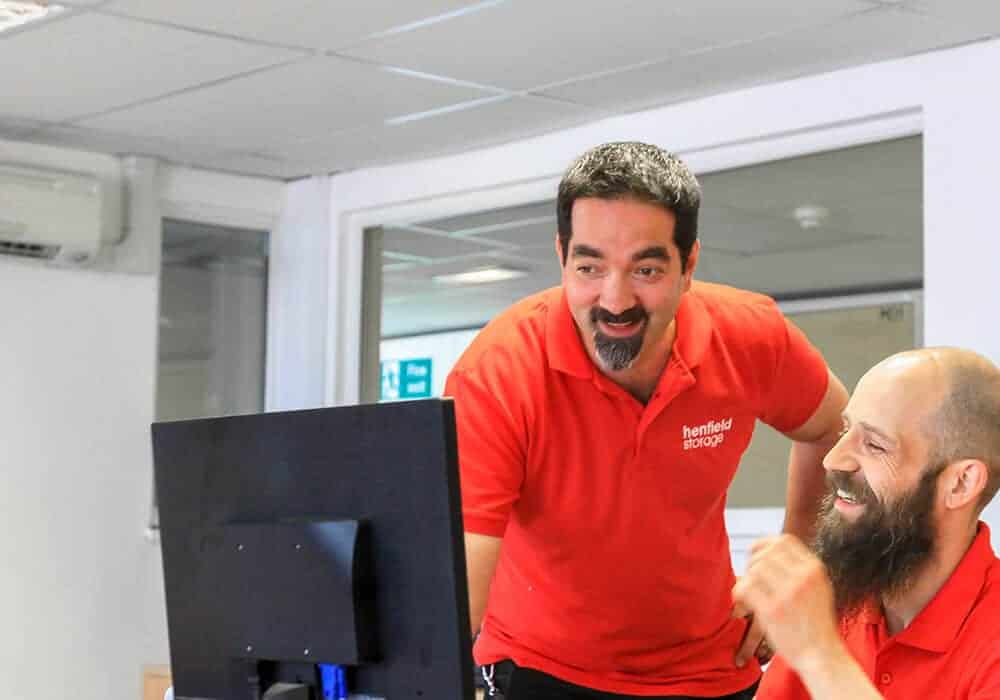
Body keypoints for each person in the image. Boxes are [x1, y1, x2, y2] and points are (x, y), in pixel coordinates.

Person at [445, 141, 848, 699]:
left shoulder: (749, 337)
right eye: (589, 267)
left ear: (689, 266)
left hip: (709, 669)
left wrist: (803, 562)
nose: (614, 300)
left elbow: (833, 430)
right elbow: (461, 582)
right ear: (561, 256)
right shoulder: (499, 370)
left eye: (646, 269)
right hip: (544, 671)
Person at [735, 348, 1000, 699]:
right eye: (846, 430)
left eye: (875, 445)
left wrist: (820, 655)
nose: (833, 460)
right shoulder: (844, 596)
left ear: (961, 483)